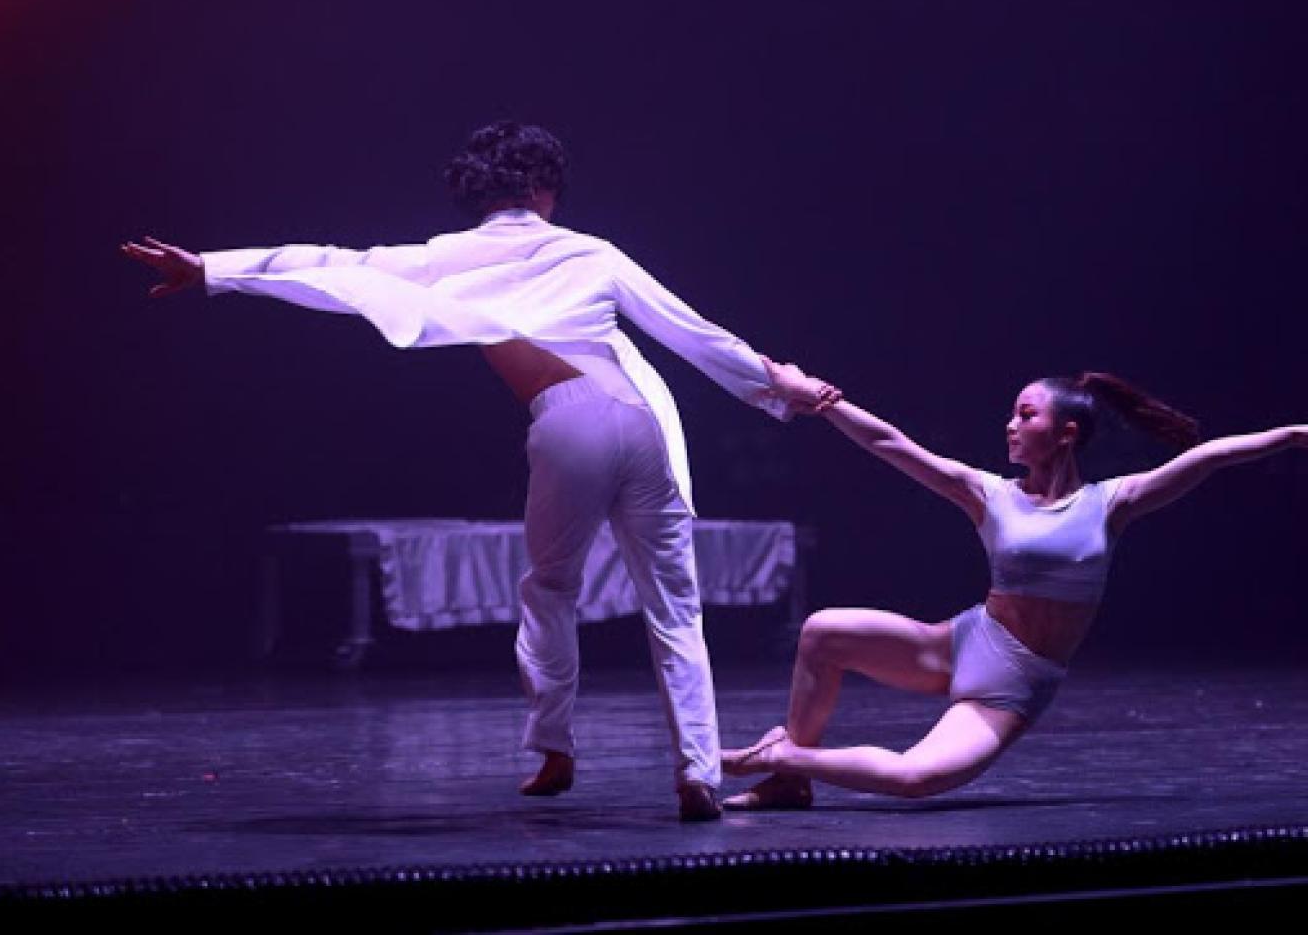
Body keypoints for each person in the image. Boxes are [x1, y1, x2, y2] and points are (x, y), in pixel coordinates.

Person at [121, 120, 840, 821]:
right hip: (643, 420)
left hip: (570, 423)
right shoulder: (592, 251)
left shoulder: (447, 255)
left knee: (550, 587)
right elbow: (691, 331)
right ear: (542, 188)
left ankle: (555, 747)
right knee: (676, 609)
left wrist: (214, 269)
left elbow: (333, 263)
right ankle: (697, 770)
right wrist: (782, 384)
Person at [721, 372, 1308, 809]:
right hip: (966, 641)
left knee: (917, 778)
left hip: (1011, 687)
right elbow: (894, 445)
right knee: (823, 631)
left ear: (1066, 432)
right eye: (1012, 414)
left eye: (1026, 414)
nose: (1010, 425)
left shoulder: (1112, 502)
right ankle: (787, 779)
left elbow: (1206, 458)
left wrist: (1287, 436)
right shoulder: (989, 493)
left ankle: (785, 757)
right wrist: (823, 400)